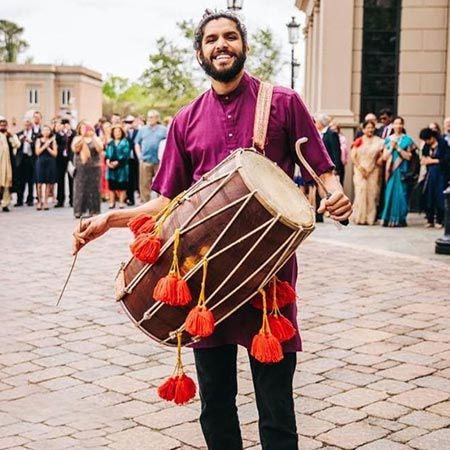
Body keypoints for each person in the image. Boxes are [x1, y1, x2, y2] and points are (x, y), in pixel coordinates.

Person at [73, 10, 352, 450]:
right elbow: (166, 201)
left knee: (276, 403)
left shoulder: (282, 102)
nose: (221, 45)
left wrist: (334, 193)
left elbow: (322, 168)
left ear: (244, 44)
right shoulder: (184, 120)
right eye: (211, 40)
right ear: (200, 52)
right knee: (216, 402)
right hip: (204, 282)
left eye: (230, 37)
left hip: (268, 277)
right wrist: (110, 220)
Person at [380, 116, 415, 227]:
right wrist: (391, 147)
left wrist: (398, 148)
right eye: (396, 123)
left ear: (403, 125)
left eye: (400, 123)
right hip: (391, 171)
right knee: (389, 194)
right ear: (393, 125)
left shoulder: (407, 140)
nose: (398, 126)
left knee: (402, 195)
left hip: (402, 171)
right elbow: (384, 157)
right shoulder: (388, 139)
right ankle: (388, 218)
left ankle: (400, 219)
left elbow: (409, 157)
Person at [350, 120, 384, 225]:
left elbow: (383, 154)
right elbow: (353, 156)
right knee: (360, 192)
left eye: (372, 127)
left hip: (373, 170)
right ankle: (359, 217)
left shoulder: (379, 141)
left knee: (371, 194)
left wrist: (378, 161)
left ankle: (370, 218)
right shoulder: (359, 141)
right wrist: (360, 168)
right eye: (367, 127)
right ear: (363, 129)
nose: (370, 129)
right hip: (360, 170)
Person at [71, 121, 103, 218]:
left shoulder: (96, 138)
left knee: (94, 188)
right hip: (81, 166)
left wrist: (92, 137)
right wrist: (82, 139)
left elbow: (99, 149)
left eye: (86, 128)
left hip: (94, 166)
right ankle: (79, 211)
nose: (84, 130)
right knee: (80, 188)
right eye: (82, 128)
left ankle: (94, 210)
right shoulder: (77, 139)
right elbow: (75, 149)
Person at [135, 110, 167, 203]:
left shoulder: (163, 129)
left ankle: (160, 204)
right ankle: (145, 203)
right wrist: (139, 155)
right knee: (144, 183)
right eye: (149, 117)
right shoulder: (143, 129)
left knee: (161, 183)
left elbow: (168, 143)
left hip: (159, 161)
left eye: (152, 117)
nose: (150, 119)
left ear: (157, 118)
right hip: (145, 160)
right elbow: (137, 143)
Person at [419, 127, 448, 228]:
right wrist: (425, 160)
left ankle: (440, 219)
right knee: (428, 195)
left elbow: (446, 159)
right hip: (430, 173)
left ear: (432, 137)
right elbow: (423, 156)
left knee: (439, 196)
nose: (427, 142)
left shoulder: (443, 143)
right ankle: (429, 218)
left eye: (428, 139)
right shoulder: (427, 146)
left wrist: (432, 161)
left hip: (441, 173)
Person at [105, 124, 130, 209]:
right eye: (115, 131)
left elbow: (126, 154)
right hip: (111, 167)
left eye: (119, 131)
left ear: (122, 132)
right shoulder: (110, 142)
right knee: (112, 186)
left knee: (122, 185)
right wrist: (108, 161)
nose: (117, 133)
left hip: (122, 167)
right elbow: (107, 153)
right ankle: (112, 202)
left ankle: (121, 202)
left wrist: (118, 162)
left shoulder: (125, 142)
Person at [315, 113, 344, 184]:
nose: (315, 124)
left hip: (332, 169)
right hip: (325, 169)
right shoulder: (322, 134)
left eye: (316, 122)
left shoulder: (331, 134)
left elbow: (336, 152)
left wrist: (336, 169)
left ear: (321, 123)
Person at [35, 125, 57, 210]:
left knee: (48, 182)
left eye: (48, 130)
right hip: (40, 162)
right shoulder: (38, 140)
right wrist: (45, 145)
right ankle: (39, 201)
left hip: (50, 162)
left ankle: (45, 202)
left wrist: (48, 147)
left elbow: (55, 154)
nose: (46, 132)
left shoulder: (53, 141)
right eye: (44, 130)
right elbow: (37, 152)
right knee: (39, 183)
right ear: (42, 132)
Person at [0, 117, 20, 212]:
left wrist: (11, 136)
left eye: (4, 125)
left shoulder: (9, 135)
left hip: (8, 164)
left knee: (7, 184)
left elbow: (17, 145)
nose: (3, 126)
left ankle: (5, 204)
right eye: (1, 125)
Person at [55, 118, 75, 207]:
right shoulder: (59, 134)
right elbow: (57, 141)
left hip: (71, 158)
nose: (65, 125)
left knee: (71, 179)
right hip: (60, 158)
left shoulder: (73, 133)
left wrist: (69, 132)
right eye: (63, 124)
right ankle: (60, 200)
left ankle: (72, 200)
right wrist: (60, 131)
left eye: (67, 123)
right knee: (60, 179)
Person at [15, 119, 35, 207]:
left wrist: (31, 142)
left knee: (31, 180)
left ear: (31, 125)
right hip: (21, 159)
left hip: (30, 158)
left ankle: (30, 199)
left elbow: (37, 145)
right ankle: (19, 200)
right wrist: (20, 141)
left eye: (29, 124)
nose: (27, 126)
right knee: (20, 181)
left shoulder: (35, 135)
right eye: (26, 124)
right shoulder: (19, 134)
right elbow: (15, 146)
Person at [123, 115, 139, 206]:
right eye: (127, 122)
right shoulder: (123, 132)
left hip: (135, 158)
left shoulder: (138, 131)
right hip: (126, 159)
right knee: (127, 179)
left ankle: (135, 197)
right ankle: (129, 198)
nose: (129, 124)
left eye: (131, 122)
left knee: (135, 179)